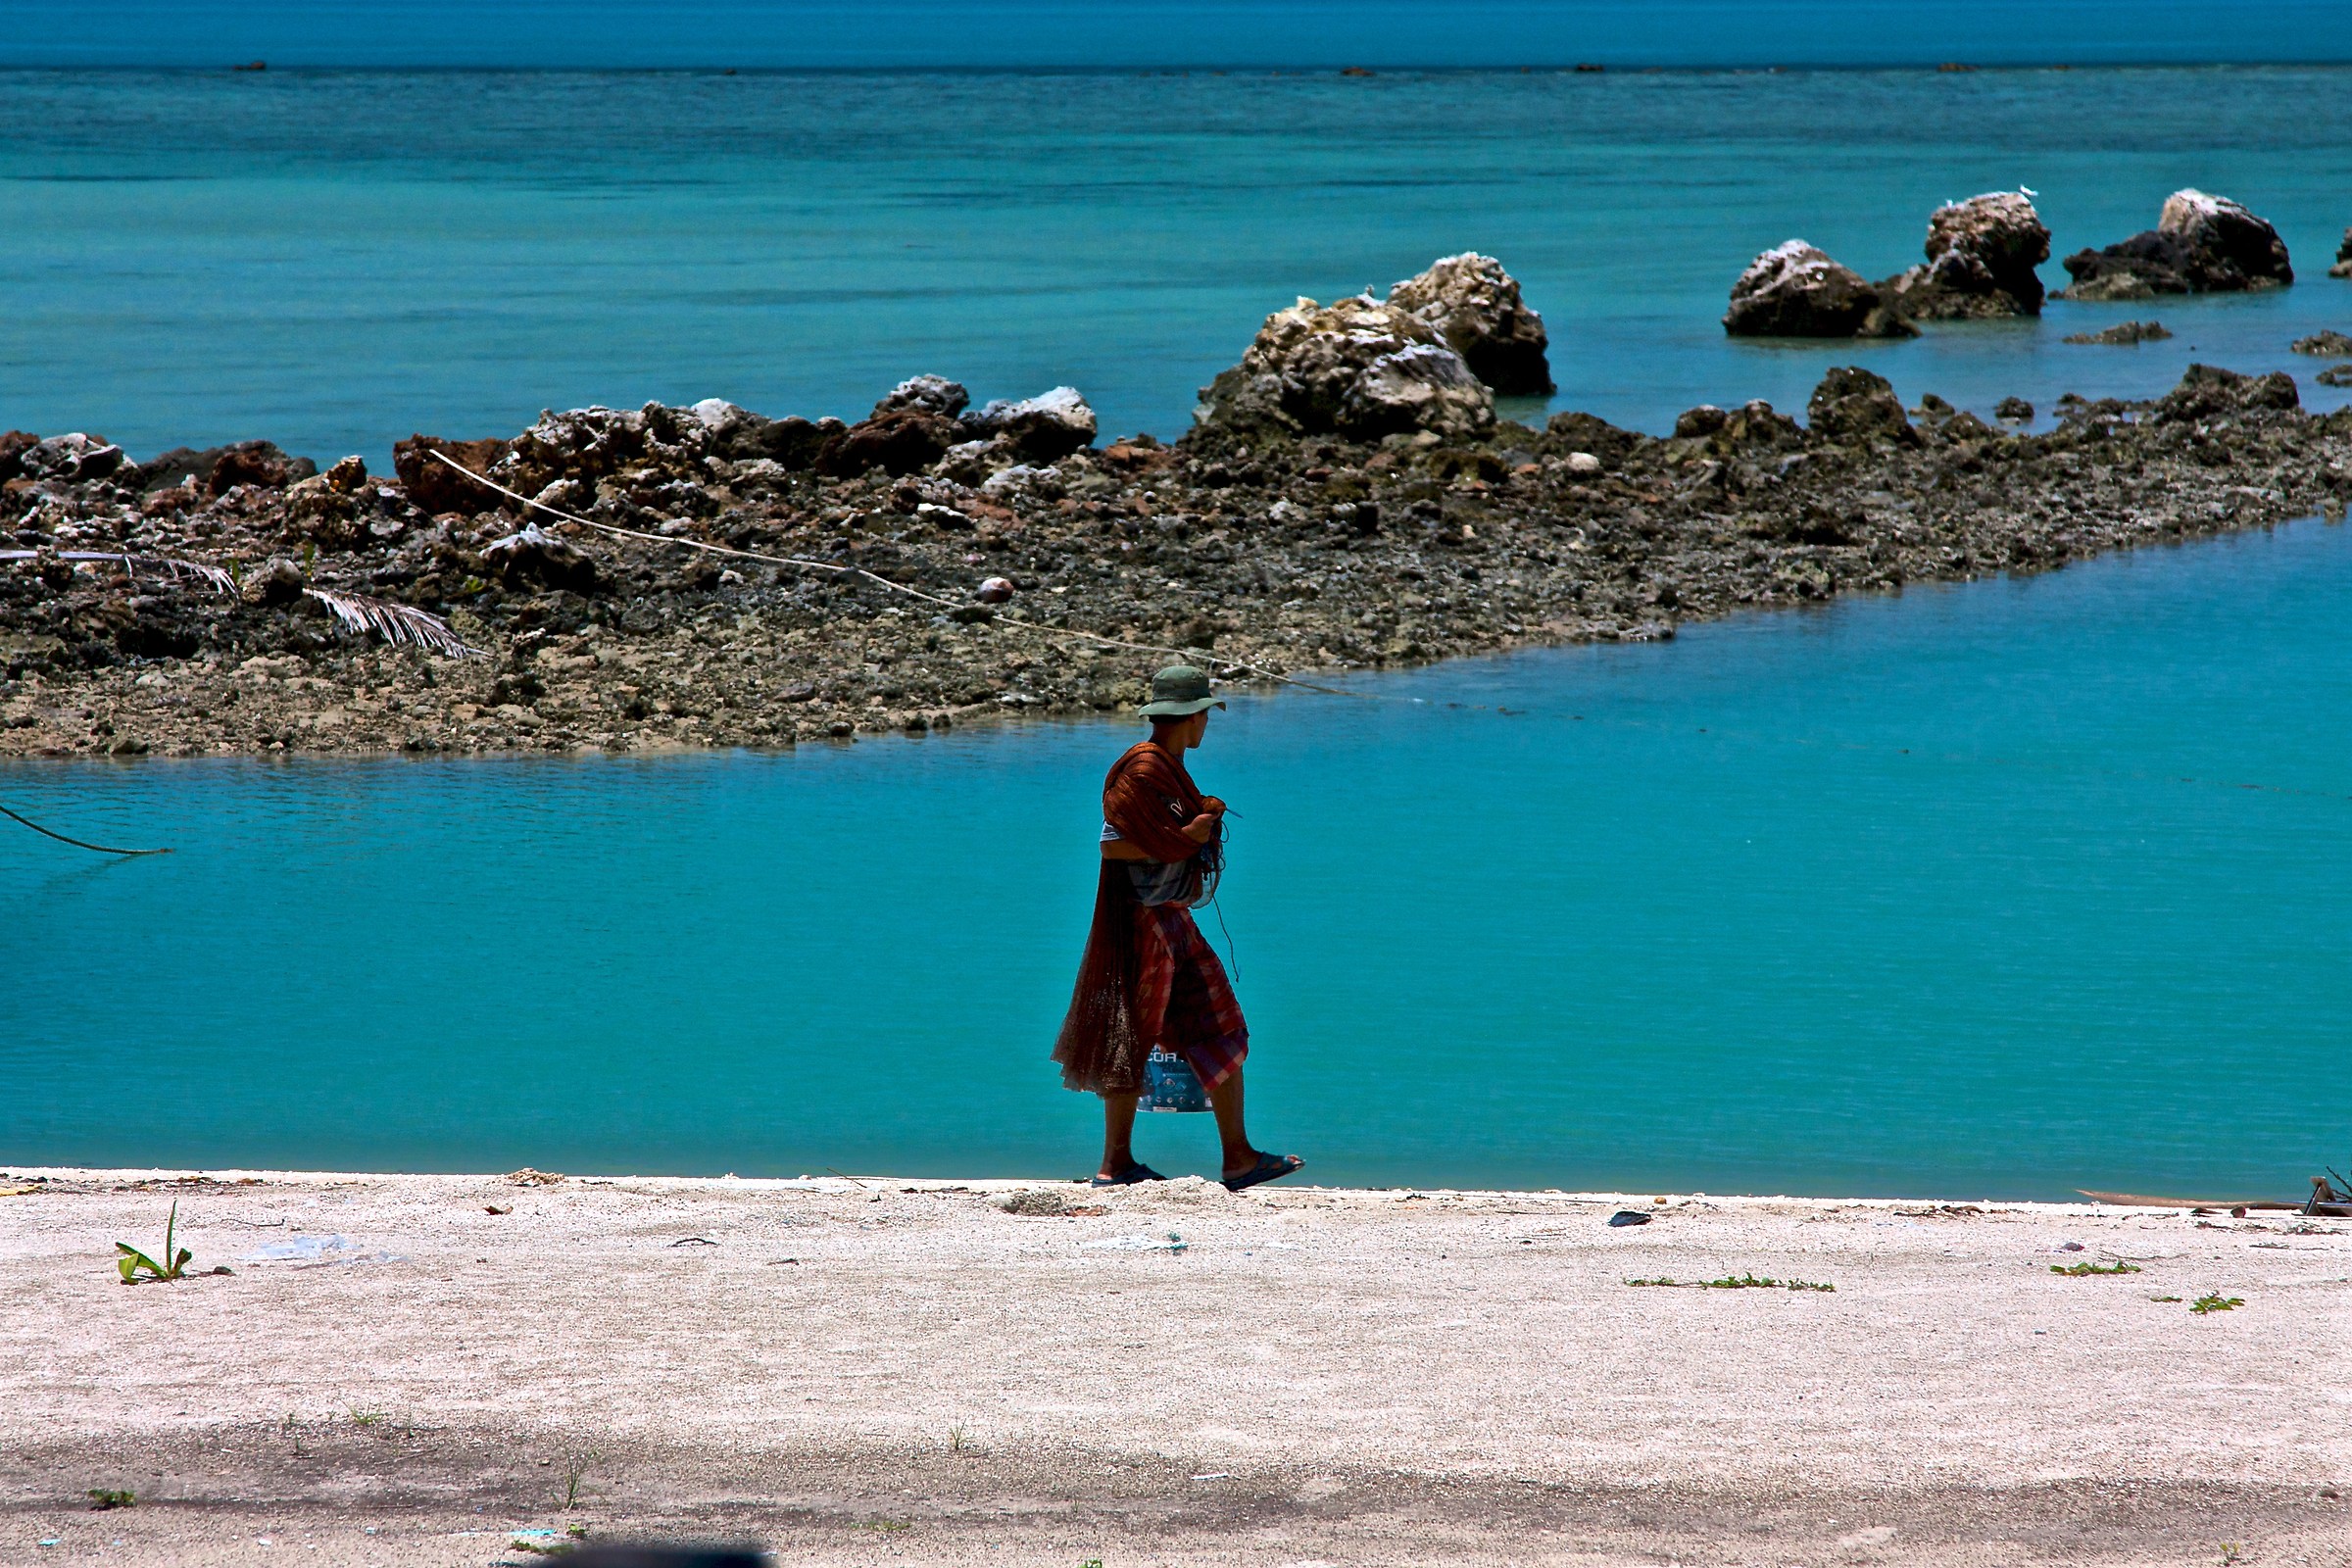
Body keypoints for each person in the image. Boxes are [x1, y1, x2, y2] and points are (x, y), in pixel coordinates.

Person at [1053, 664, 1303, 1194]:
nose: (1206, 724)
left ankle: (1238, 1158)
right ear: (1190, 717)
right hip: (1142, 921)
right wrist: (1188, 836)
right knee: (1130, 1032)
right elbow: (1112, 846)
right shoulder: (1143, 771)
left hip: (1172, 917)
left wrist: (1190, 832)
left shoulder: (1170, 770)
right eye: (1204, 715)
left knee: (1219, 1020)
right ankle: (1115, 1164)